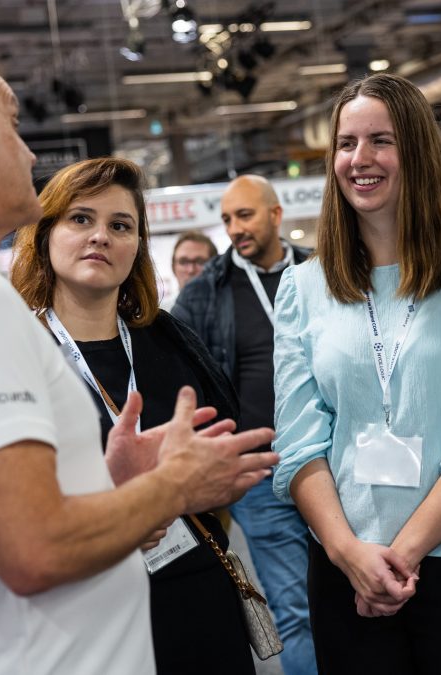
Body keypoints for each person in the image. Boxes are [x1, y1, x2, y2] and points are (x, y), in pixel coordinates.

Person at [0, 41, 276, 675]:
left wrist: (113, 486)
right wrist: (172, 486)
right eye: (12, 122)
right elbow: (33, 549)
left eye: (121, 227)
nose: (31, 152)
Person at [272, 72, 441, 674]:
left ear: (416, 151)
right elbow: (298, 443)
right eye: (346, 143)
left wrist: (400, 555)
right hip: (347, 574)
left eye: (381, 141)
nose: (359, 159)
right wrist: (350, 556)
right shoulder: (304, 286)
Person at [10, 157, 255, 674]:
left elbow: (230, 463)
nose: (101, 236)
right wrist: (121, 512)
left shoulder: (170, 340)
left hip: (195, 596)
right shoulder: (14, 354)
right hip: (85, 608)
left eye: (120, 226)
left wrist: (192, 489)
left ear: (137, 246)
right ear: (44, 233)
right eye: (80, 219)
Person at [173, 174, 318, 675]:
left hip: (334, 462)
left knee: (353, 592)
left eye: (246, 215)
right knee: (294, 609)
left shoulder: (322, 270)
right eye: (228, 219)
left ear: (276, 215)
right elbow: (178, 376)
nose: (235, 228)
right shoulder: (205, 292)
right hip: (261, 475)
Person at [162, 230, 217, 311]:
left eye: (200, 261)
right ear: (173, 268)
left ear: (215, 266)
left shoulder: (229, 308)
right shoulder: (160, 314)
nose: (191, 270)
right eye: (183, 262)